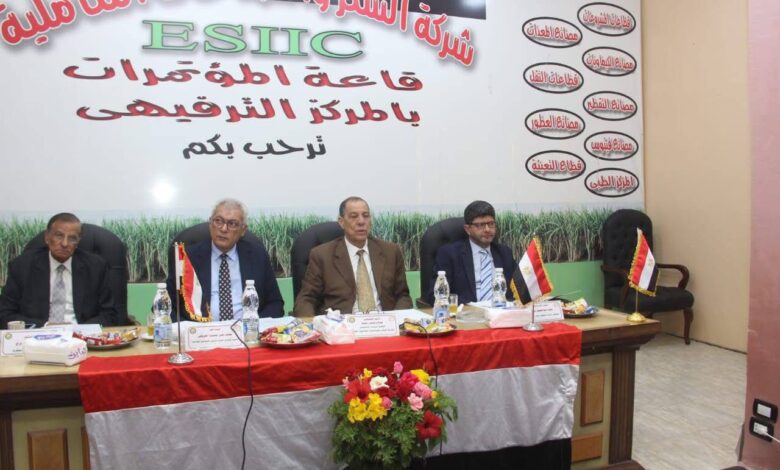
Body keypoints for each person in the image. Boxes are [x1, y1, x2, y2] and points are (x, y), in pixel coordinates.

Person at [166, 198, 284, 321]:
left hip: (246, 330)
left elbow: (275, 304)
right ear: (210, 224)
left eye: (232, 223)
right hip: (200, 330)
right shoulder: (188, 258)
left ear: (243, 230)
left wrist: (253, 325)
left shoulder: (257, 256)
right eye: (218, 221)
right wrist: (189, 330)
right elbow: (168, 306)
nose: (223, 229)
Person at [294, 197, 412, 316]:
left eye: (366, 216)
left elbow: (403, 296)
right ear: (341, 222)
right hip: (342, 323)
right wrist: (312, 323)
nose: (361, 221)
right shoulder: (322, 255)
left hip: (384, 322)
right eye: (354, 216)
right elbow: (306, 299)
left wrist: (397, 319)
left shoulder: (390, 251)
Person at [0, 213, 119, 328]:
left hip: (81, 334)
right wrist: (45, 327)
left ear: (78, 241)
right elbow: (5, 313)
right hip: (39, 334)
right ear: (47, 237)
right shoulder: (22, 266)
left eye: (72, 238)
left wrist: (80, 330)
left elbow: (109, 314)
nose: (65, 243)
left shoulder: (96, 267)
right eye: (59, 236)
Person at [425, 200, 517, 305]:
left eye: (491, 224)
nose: (487, 229)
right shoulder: (449, 254)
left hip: (501, 311)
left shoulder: (504, 253)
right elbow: (435, 295)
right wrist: (471, 307)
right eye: (480, 225)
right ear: (467, 229)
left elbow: (520, 289)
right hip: (467, 312)